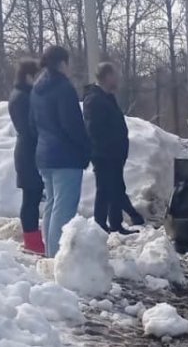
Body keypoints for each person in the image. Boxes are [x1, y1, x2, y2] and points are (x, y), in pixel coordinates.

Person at [31, 46, 91, 258]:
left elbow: (33, 123)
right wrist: (85, 148)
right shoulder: (63, 88)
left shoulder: (38, 87)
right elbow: (72, 124)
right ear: (63, 63)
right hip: (66, 156)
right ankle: (59, 259)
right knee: (63, 209)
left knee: (51, 205)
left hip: (44, 154)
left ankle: (50, 253)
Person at [83, 62, 144, 235]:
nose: (117, 79)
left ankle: (116, 223)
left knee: (116, 188)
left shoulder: (107, 97)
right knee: (104, 190)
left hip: (115, 155)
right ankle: (100, 225)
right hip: (104, 154)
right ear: (107, 76)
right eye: (115, 75)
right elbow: (94, 130)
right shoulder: (94, 99)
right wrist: (109, 146)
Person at [8, 58, 45, 255]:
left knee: (33, 196)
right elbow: (30, 127)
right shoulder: (24, 97)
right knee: (31, 198)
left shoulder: (19, 94)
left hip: (27, 150)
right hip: (29, 152)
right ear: (30, 76)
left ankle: (33, 238)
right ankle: (32, 240)